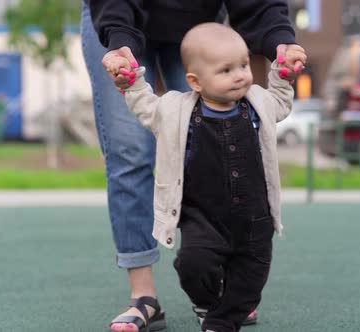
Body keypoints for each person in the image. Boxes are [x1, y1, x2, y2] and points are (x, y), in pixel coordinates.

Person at [82, 1, 306, 331]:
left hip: (198, 20)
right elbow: (149, 109)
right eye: (234, 68)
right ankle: (144, 297)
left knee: (205, 137)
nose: (241, 75)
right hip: (116, 12)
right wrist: (122, 59)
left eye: (243, 66)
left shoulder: (258, 101)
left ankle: (219, 297)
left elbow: (278, 96)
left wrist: (279, 41)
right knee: (129, 152)